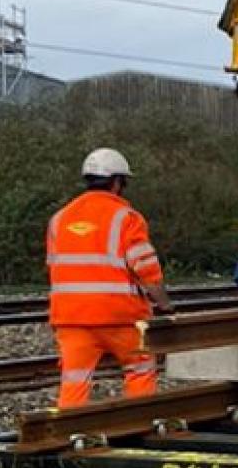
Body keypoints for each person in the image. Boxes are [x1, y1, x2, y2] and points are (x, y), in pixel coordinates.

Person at [46, 148, 174, 408]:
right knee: (140, 367)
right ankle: (140, 421)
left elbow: (54, 267)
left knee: (74, 380)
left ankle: (70, 432)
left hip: (71, 318)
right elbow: (145, 267)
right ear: (117, 182)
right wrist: (164, 304)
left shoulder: (59, 219)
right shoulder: (126, 218)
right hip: (119, 316)